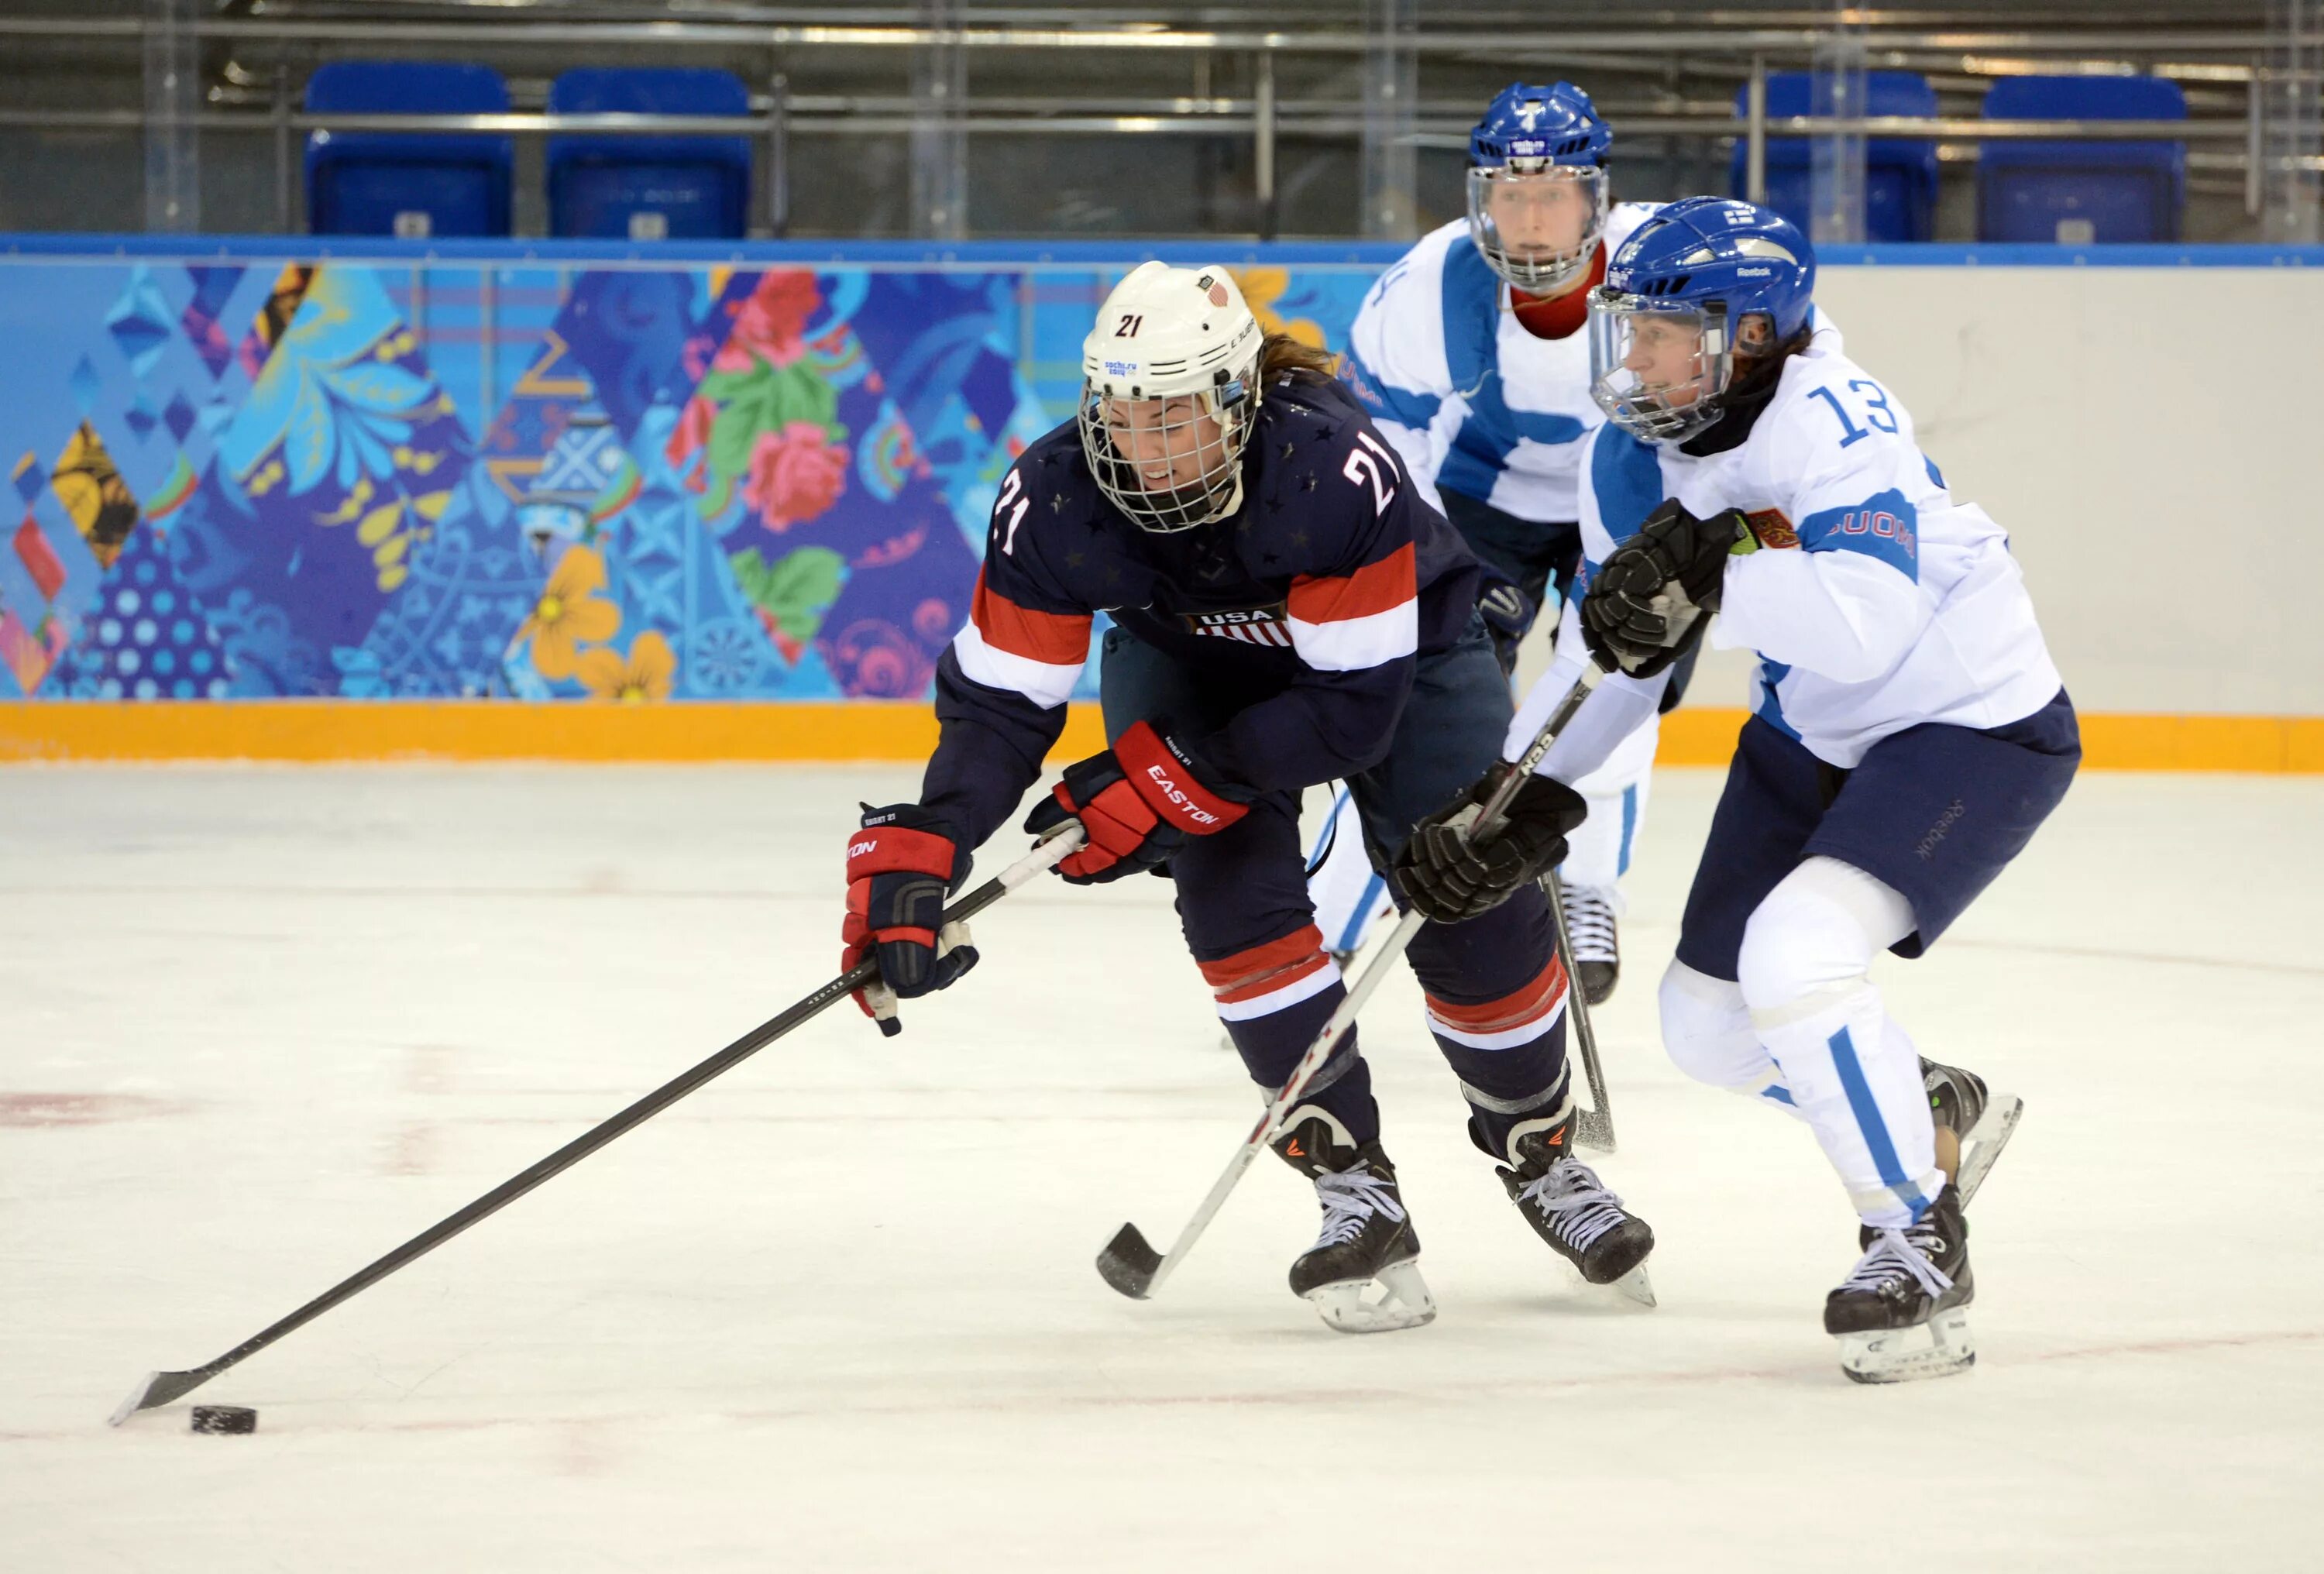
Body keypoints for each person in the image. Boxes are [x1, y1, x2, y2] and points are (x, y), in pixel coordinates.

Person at [840, 261, 1655, 1333]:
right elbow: (998, 705)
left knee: (1464, 883)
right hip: (1189, 658)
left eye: (1176, 407)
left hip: (1400, 657)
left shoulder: (1327, 467)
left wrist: (1171, 779)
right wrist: (934, 839)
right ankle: (1350, 1185)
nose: (1148, 437)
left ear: (1238, 396)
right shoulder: (1050, 501)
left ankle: (1536, 1149)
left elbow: (1348, 714)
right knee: (1228, 899)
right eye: (1126, 407)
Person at [1398, 197, 2077, 1382]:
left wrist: (1713, 572)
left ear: (1751, 337)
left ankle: (1913, 1234)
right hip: (1813, 727)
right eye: (1632, 326)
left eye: (1668, 333)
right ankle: (1926, 1108)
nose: (1636, 356)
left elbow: (1867, 624)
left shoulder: (1837, 420)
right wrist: (1513, 794)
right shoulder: (1628, 452)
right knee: (1705, 1030)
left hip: (1965, 716)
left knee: (1796, 958)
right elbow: (1615, 651)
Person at [1333, 81, 1664, 1004]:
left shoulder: (1661, 263)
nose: (1527, 221)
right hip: (1482, 502)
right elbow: (1383, 452)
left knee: (1622, 677)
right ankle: (1327, 928)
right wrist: (1424, 560)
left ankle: (1590, 885)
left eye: (1550, 195)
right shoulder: (1431, 286)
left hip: (1631, 488)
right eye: (1509, 196)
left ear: (1596, 198)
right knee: (1418, 699)